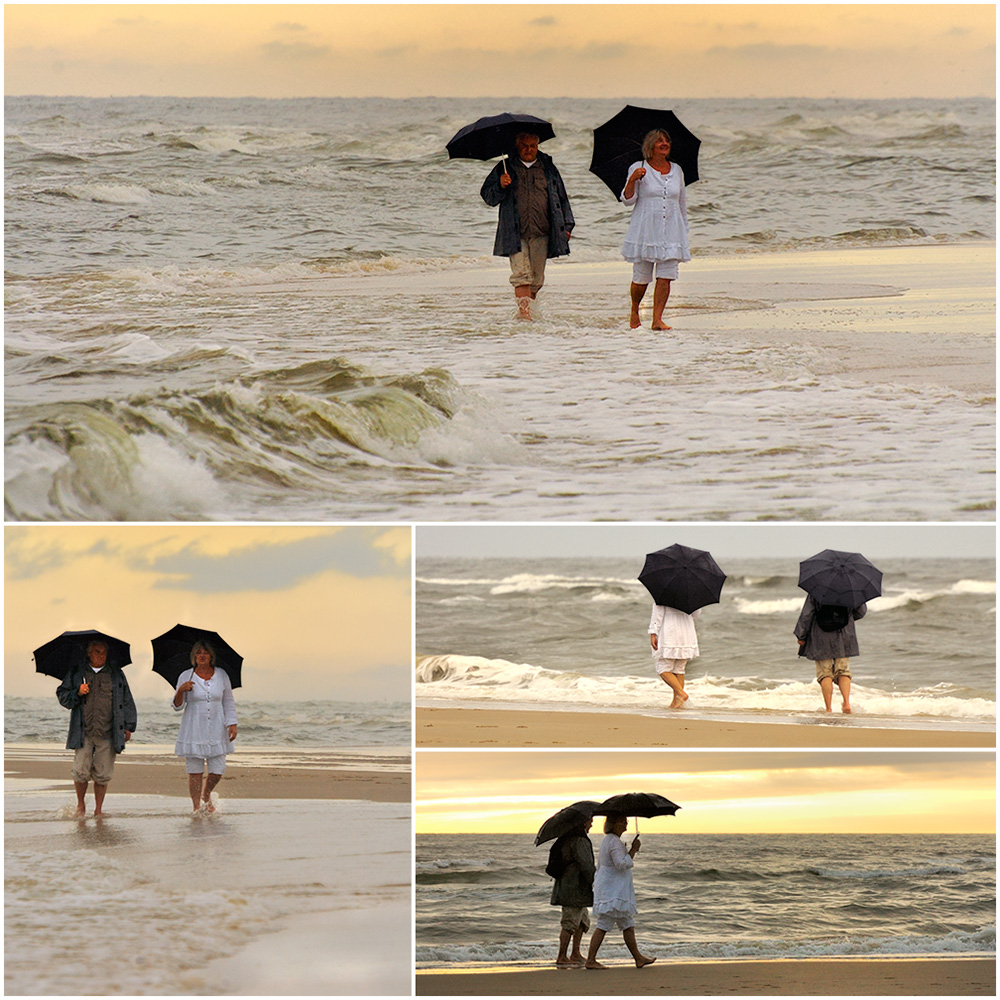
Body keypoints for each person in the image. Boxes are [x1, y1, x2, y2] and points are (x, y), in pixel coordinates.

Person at [480, 132, 575, 320]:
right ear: (516, 146)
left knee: (536, 279)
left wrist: (567, 226)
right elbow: (488, 197)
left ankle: (528, 313)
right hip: (515, 233)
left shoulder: (548, 168)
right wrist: (500, 184)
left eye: (533, 145)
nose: (529, 150)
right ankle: (525, 316)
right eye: (524, 145)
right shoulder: (505, 167)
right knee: (521, 274)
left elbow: (561, 197)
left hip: (543, 231)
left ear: (538, 145)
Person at [56, 638, 137, 817]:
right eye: (97, 652)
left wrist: (129, 725)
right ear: (88, 653)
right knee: (80, 772)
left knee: (103, 774)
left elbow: (126, 698)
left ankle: (98, 810)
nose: (101, 656)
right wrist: (77, 691)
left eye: (103, 652)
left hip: (109, 731)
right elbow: (62, 696)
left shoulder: (116, 673)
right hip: (83, 731)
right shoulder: (77, 672)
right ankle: (80, 806)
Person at [621, 129, 690, 330]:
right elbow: (627, 200)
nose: (664, 143)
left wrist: (684, 231)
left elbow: (681, 202)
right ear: (650, 146)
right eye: (659, 141)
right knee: (641, 278)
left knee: (666, 275)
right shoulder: (638, 167)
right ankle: (635, 311)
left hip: (671, 229)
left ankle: (657, 319)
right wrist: (633, 179)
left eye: (667, 140)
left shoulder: (677, 170)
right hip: (645, 230)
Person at [172, 639, 238, 813]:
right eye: (198, 652)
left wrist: (232, 723)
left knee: (218, 769)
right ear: (194, 656)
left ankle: (206, 795)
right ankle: (196, 807)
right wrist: (180, 691)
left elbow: (228, 701)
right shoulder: (186, 675)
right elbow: (177, 706)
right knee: (195, 769)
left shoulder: (222, 675)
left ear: (211, 656)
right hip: (194, 727)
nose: (202, 655)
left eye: (205, 652)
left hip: (217, 726)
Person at [585, 814, 656, 970]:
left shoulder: (610, 840)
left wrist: (629, 850)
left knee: (627, 924)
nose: (626, 824)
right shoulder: (614, 842)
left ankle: (638, 958)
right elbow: (621, 864)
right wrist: (633, 850)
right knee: (604, 924)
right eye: (623, 821)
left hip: (613, 889)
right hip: (613, 892)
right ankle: (590, 959)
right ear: (615, 823)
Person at [794, 595, 868, 714]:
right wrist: (846, 619)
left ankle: (828, 709)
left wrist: (801, 635)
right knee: (843, 671)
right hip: (844, 634)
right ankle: (847, 704)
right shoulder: (851, 589)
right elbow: (861, 611)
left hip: (821, 635)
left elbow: (807, 615)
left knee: (825, 673)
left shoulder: (816, 590)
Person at [547, 816, 597, 967]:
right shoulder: (579, 841)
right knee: (569, 923)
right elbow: (587, 866)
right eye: (590, 821)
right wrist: (596, 883)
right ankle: (562, 956)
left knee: (582, 921)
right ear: (582, 822)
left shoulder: (568, 838)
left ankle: (575, 953)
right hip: (573, 889)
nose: (591, 824)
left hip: (575, 889)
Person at [649, 603, 702, 708]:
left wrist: (653, 633)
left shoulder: (663, 594)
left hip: (670, 632)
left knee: (662, 668)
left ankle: (681, 693)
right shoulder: (691, 593)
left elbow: (657, 615)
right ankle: (677, 702)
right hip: (686, 632)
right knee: (679, 669)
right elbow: (696, 614)